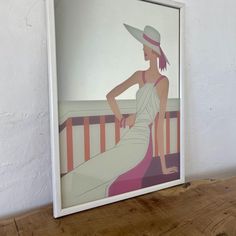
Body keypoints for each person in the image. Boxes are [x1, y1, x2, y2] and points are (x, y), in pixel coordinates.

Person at [61, 24, 178, 208]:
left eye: (144, 46)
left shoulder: (163, 82)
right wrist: (123, 119)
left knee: (106, 168)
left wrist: (163, 167)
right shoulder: (139, 76)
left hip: (142, 144)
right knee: (99, 165)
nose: (142, 50)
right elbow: (110, 96)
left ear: (152, 50)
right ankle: (67, 197)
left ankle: (71, 196)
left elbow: (159, 125)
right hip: (130, 137)